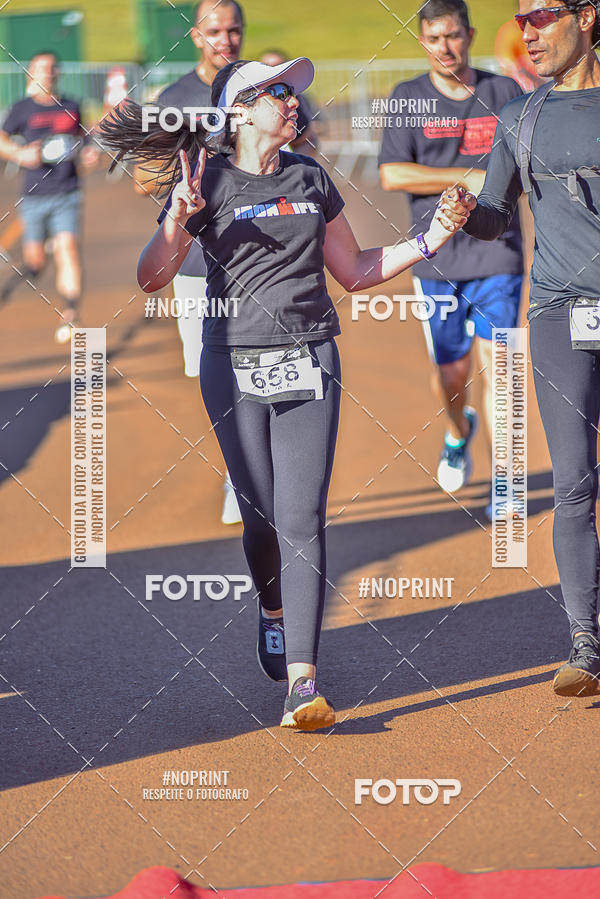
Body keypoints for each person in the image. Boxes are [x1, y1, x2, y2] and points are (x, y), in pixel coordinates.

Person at [99, 56, 471, 730]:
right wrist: (176, 220)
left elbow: (355, 271)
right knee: (263, 519)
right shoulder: (205, 178)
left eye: (294, 91)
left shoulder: (310, 177)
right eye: (277, 92)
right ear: (240, 110)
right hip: (232, 364)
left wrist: (432, 237)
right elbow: (152, 278)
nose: (293, 100)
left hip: (311, 356)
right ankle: (271, 609)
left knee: (303, 517)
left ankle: (303, 681)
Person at [444, 0, 600, 696]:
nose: (527, 33)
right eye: (520, 21)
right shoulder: (520, 118)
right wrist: (465, 212)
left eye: (541, 17)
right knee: (573, 483)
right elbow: (496, 215)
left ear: (586, 16)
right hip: (560, 314)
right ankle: (586, 643)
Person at [378, 0, 524, 518]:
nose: (446, 47)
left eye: (454, 36)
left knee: (501, 368)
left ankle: (506, 479)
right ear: (423, 42)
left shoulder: (504, 92)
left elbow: (523, 166)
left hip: (498, 252)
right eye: (435, 38)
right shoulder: (407, 98)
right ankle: (458, 432)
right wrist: (468, 179)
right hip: (436, 260)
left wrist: (493, 187)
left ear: (470, 35)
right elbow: (392, 174)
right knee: (452, 374)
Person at [134, 0, 244, 525]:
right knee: (210, 371)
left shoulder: (259, 88)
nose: (227, 39)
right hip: (196, 263)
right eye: (215, 30)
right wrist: (182, 175)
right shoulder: (174, 100)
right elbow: (142, 179)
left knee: (258, 364)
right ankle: (239, 468)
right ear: (197, 36)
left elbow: (303, 155)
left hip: (255, 256)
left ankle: (247, 474)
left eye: (234, 29)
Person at [0, 51, 98, 343]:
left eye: (52, 68)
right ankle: (41, 255)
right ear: (31, 74)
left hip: (67, 191)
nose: (47, 73)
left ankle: (70, 313)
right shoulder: (22, 109)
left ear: (58, 73)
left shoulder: (72, 106)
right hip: (34, 196)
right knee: (36, 261)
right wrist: (19, 153)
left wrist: (89, 154)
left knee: (68, 248)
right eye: (41, 68)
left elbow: (84, 141)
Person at [259, 49, 320, 154]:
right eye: (266, 66)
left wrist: (290, 159)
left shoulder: (298, 100)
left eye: (278, 66)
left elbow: (311, 139)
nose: (294, 102)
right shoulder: (252, 99)